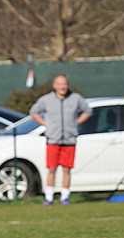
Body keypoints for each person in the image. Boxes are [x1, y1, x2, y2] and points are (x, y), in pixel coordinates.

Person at [30, 74, 91, 206]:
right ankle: (49, 197)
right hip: (53, 139)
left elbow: (88, 111)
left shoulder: (76, 98)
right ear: (55, 86)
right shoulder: (46, 99)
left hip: (69, 139)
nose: (62, 87)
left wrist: (76, 123)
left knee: (67, 169)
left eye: (64, 84)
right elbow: (33, 112)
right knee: (52, 169)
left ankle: (65, 197)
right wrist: (46, 124)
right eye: (60, 84)